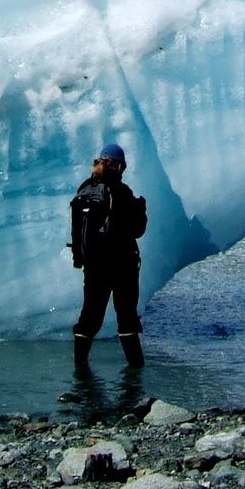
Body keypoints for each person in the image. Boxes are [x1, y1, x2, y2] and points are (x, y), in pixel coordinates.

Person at [69, 141, 147, 369]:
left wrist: (79, 258)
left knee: (90, 316)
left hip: (93, 266)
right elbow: (137, 230)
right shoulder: (121, 192)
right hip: (122, 265)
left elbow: (77, 229)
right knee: (126, 317)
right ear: (119, 166)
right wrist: (140, 208)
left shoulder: (85, 190)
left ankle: (80, 369)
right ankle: (135, 373)